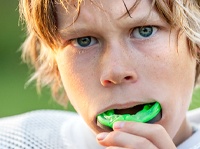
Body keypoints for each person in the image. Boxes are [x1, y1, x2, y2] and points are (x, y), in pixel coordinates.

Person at [1, 0, 200, 148]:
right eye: (84, 41)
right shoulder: (16, 140)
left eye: (144, 31)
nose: (115, 71)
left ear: (196, 44)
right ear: (54, 63)